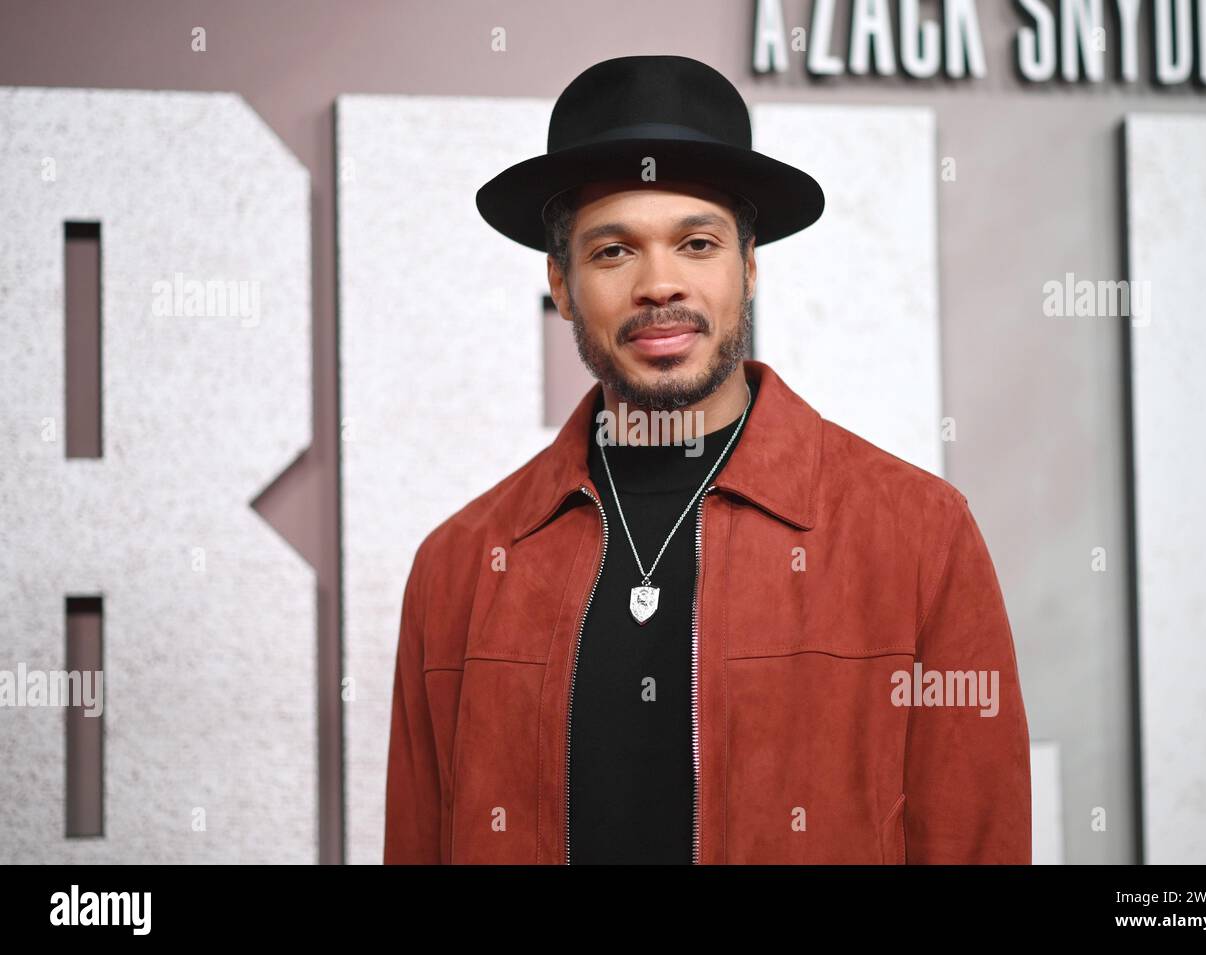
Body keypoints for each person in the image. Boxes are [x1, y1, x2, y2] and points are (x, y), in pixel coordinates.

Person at [383, 54, 1031, 864]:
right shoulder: (460, 567)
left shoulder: (919, 534)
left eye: (696, 242)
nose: (660, 284)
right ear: (560, 281)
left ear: (748, 266)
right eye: (613, 251)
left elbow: (978, 840)